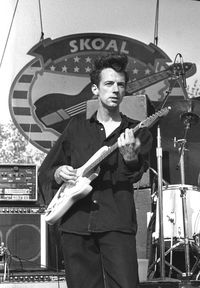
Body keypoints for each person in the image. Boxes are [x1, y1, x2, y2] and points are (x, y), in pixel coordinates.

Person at [38, 53, 153, 288]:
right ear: (95, 89)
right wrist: (60, 172)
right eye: (109, 84)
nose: (115, 90)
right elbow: (48, 170)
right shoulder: (76, 127)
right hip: (75, 222)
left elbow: (136, 173)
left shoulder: (138, 132)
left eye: (120, 85)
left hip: (116, 221)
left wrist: (130, 157)